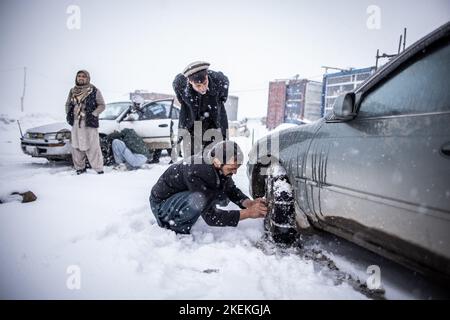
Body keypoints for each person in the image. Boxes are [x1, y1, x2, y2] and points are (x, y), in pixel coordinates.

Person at [149, 141, 267, 234]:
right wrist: (248, 213)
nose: (235, 172)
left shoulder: (216, 163)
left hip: (176, 198)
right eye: (232, 168)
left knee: (221, 195)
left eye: (237, 168)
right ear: (216, 162)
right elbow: (212, 217)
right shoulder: (197, 171)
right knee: (199, 200)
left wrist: (248, 203)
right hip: (161, 206)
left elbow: (230, 189)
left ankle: (186, 214)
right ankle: (176, 228)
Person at [173, 61, 230, 160]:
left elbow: (223, 96)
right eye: (198, 86)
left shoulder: (219, 81)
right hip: (192, 126)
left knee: (216, 160)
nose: (203, 88)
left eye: (204, 83)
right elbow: (180, 96)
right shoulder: (180, 84)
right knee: (191, 161)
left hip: (214, 125)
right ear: (190, 82)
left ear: (207, 76)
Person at [65, 70, 105, 175]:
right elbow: (68, 104)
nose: (81, 78)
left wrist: (94, 114)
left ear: (87, 78)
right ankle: (80, 169)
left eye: (83, 76)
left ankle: (99, 170)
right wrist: (68, 114)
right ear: (76, 78)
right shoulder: (72, 91)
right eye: (79, 76)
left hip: (89, 123)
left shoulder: (94, 90)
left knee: (93, 147)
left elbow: (102, 105)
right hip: (76, 123)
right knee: (76, 146)